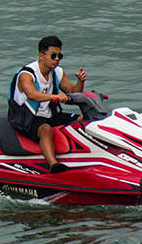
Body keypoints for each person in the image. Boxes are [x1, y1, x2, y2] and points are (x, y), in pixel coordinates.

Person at [8, 35, 88, 172]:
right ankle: (54, 165)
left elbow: (73, 92)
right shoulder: (27, 74)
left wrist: (80, 82)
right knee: (45, 129)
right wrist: (54, 97)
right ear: (41, 55)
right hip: (26, 118)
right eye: (53, 55)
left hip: (50, 115)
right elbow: (32, 94)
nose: (57, 59)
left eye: (59, 56)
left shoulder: (58, 72)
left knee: (83, 119)